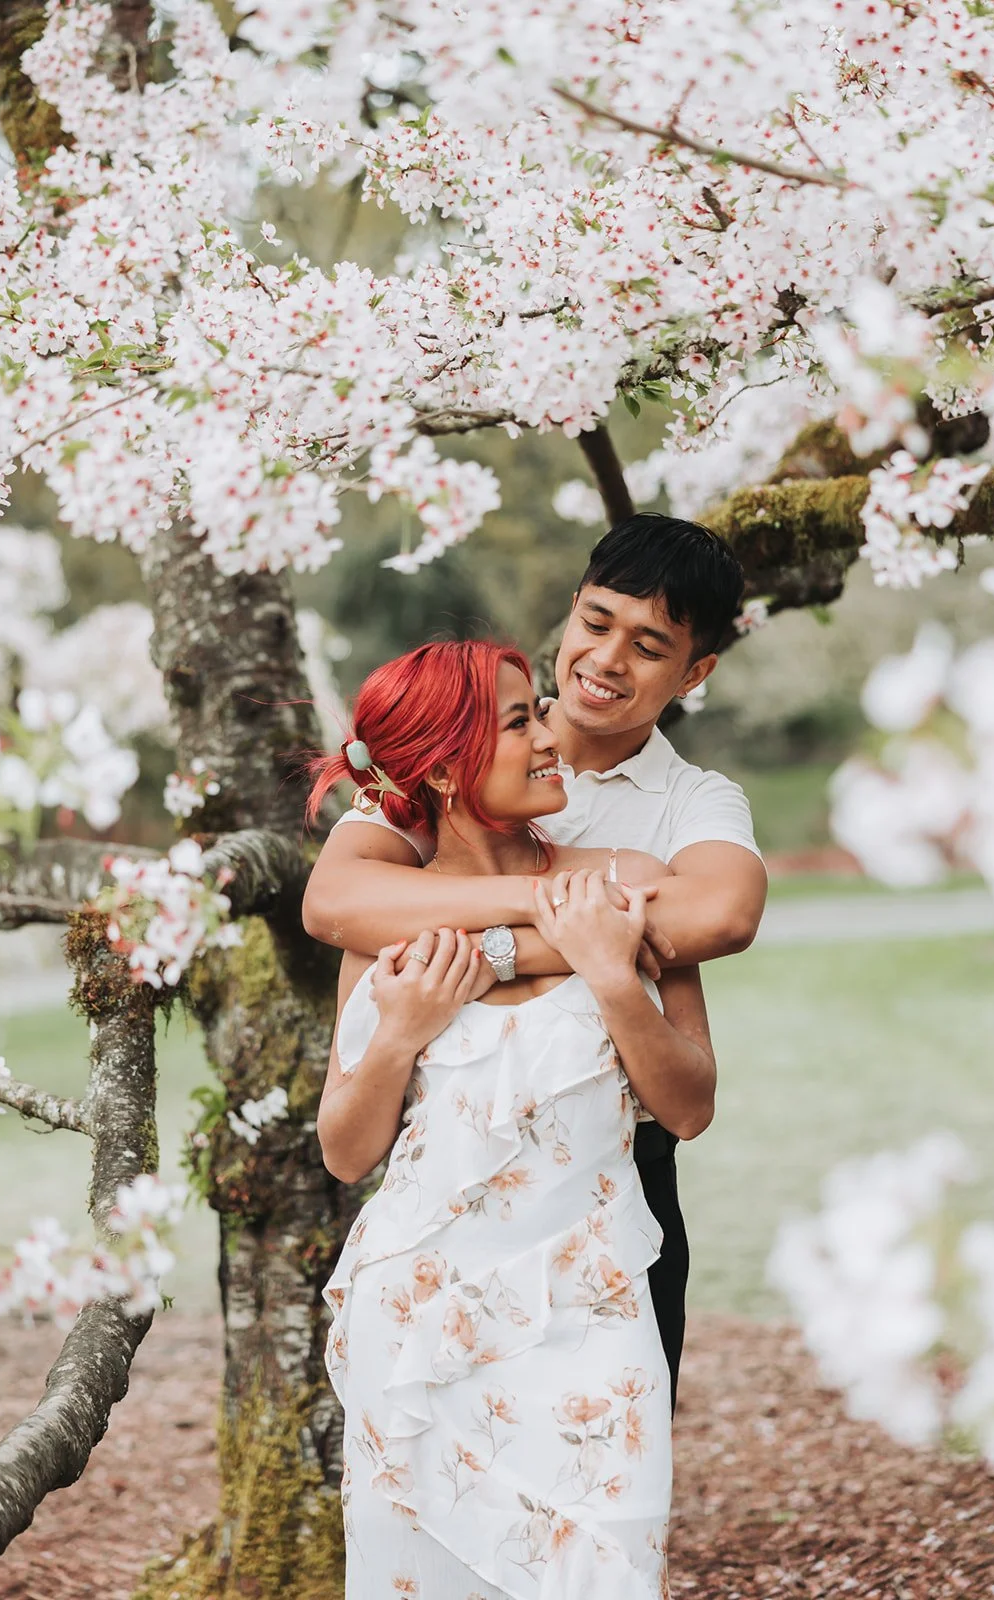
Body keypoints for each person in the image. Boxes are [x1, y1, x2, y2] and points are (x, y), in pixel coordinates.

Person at [304, 513, 768, 1406]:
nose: (606, 661)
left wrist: (480, 947)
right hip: (448, 1180)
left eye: (649, 646)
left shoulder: (690, 803)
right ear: (571, 610)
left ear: (694, 671)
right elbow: (335, 904)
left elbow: (718, 911)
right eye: (596, 623)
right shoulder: (453, 740)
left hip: (616, 1181)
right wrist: (556, 911)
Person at [311, 638, 717, 1599]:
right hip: (418, 1323)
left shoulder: (631, 876)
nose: (552, 740)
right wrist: (399, 1034)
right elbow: (344, 1149)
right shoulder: (386, 921)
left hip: (593, 1311)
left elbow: (690, 1106)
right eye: (522, 721)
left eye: (541, 712)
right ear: (447, 767)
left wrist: (613, 978)